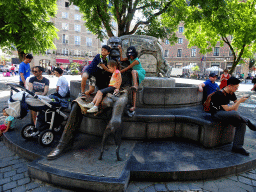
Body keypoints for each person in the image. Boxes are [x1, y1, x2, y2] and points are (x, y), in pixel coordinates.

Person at [210, 77, 256, 156]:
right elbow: (227, 109)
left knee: (241, 122)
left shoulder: (231, 93)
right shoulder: (220, 93)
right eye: (235, 87)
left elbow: (235, 109)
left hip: (227, 114)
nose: (236, 89)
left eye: (237, 87)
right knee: (235, 114)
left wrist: (237, 103)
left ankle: (237, 147)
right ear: (230, 86)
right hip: (217, 114)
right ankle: (249, 122)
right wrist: (239, 102)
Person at [118, 45, 146, 112]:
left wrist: (117, 72)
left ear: (135, 54)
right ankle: (134, 106)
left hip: (139, 72)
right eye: (130, 55)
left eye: (132, 55)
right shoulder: (130, 58)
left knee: (133, 71)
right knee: (134, 91)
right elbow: (121, 59)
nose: (131, 56)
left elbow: (128, 68)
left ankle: (135, 85)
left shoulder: (136, 61)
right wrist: (120, 50)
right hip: (134, 74)